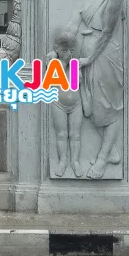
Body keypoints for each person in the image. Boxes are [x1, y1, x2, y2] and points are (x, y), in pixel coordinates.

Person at [65, 0, 124, 179]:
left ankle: (102, 159)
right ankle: (111, 152)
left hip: (105, 55)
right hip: (87, 54)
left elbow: (108, 33)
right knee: (89, 106)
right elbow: (72, 27)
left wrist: (89, 58)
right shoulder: (87, 0)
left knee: (107, 107)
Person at [46, 30, 83, 178]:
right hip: (58, 103)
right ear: (56, 49)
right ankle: (63, 161)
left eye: (71, 50)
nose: (68, 53)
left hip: (76, 104)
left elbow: (77, 81)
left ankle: (75, 161)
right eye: (64, 50)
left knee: (75, 135)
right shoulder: (54, 63)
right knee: (61, 134)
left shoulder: (74, 64)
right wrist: (58, 59)